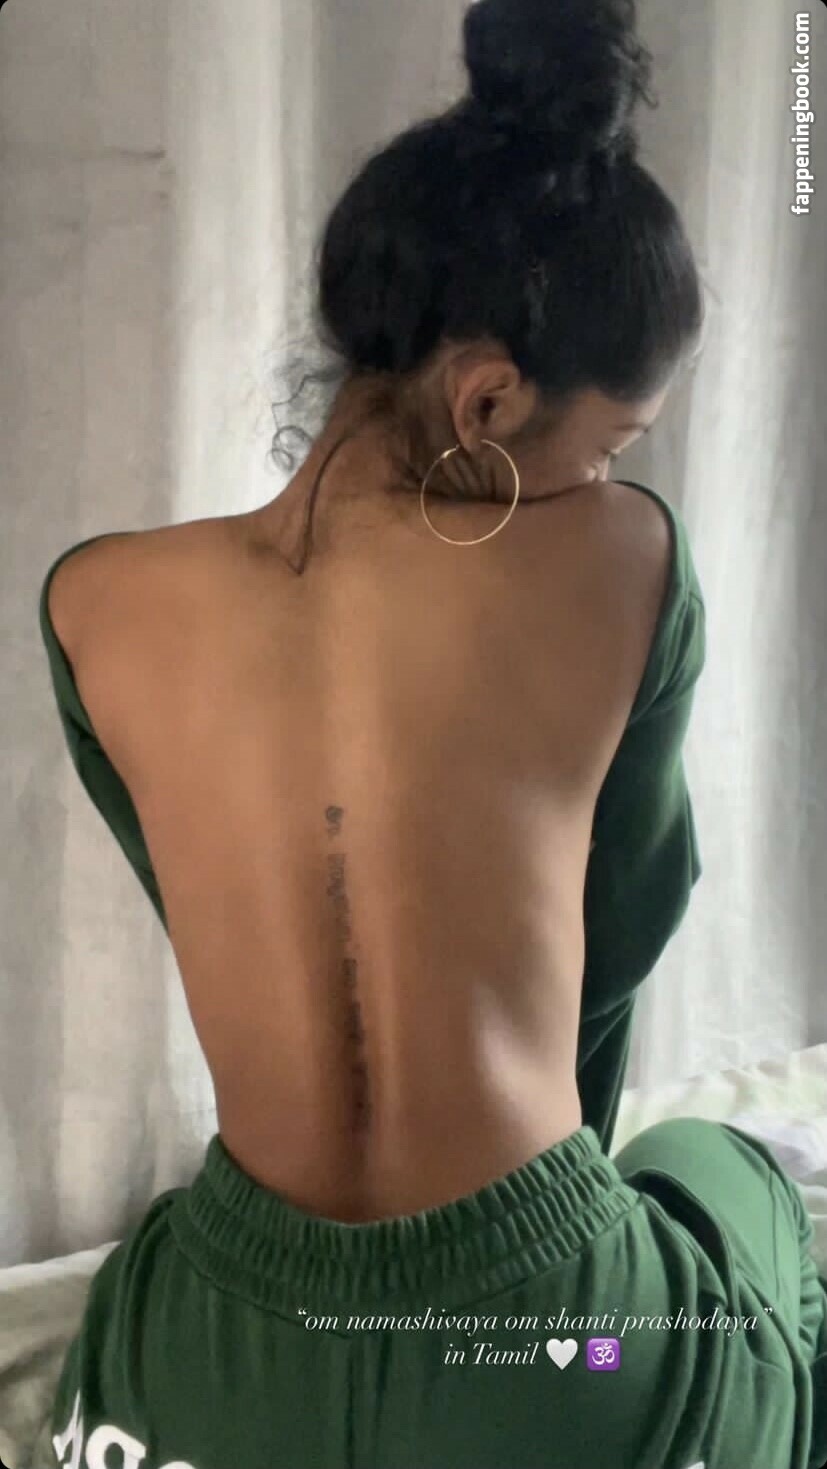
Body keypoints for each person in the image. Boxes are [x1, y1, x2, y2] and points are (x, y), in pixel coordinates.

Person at [39, 1, 827, 1466]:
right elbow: (618, 937)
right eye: (611, 443)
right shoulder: (628, 561)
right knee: (722, 1168)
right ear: (488, 396)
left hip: (213, 1359)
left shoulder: (92, 605)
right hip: (559, 1358)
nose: (609, 482)